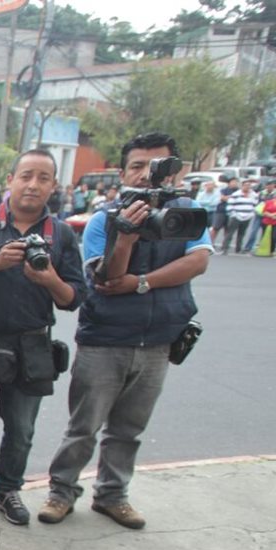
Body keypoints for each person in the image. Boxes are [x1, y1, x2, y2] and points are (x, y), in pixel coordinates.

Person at [38, 132, 212, 529]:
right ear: (123, 172)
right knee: (83, 426)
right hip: (105, 339)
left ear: (173, 171)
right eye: (138, 166)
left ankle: (112, 495)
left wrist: (142, 282)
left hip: (159, 339)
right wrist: (127, 236)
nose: (148, 176)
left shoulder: (187, 214)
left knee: (129, 428)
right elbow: (107, 278)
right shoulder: (104, 219)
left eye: (157, 167)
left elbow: (197, 262)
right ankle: (61, 492)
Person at [0, 149, 86, 525]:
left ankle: (7, 490)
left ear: (53, 186)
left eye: (43, 178)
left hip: (31, 345)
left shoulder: (59, 234)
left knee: (22, 430)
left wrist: (48, 279)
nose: (33, 185)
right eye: (26, 175)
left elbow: (74, 298)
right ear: (10, 180)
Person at [224, 180, 257, 254]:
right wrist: (233, 214)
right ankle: (225, 248)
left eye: (249, 185)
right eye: (246, 185)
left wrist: (251, 214)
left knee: (242, 233)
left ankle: (238, 248)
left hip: (247, 216)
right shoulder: (236, 194)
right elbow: (230, 205)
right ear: (242, 186)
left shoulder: (253, 195)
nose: (247, 187)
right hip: (236, 216)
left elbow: (255, 205)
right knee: (230, 233)